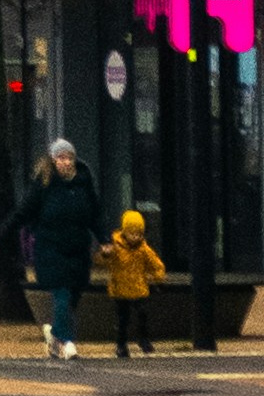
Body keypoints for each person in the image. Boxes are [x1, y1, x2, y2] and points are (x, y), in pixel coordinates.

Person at [22, 132, 101, 356]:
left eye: (69, 158)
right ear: (53, 160)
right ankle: (67, 342)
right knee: (62, 294)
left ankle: (55, 334)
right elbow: (24, 212)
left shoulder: (83, 185)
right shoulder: (43, 185)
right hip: (51, 250)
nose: (66, 162)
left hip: (77, 249)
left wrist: (104, 239)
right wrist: (1, 236)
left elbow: (95, 215)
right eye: (61, 158)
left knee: (73, 295)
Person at [100, 196, 165, 363]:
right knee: (123, 319)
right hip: (120, 290)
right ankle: (121, 345)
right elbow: (104, 260)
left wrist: (158, 275)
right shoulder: (116, 246)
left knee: (142, 314)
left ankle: (143, 339)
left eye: (139, 234)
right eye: (132, 233)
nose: (135, 237)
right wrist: (105, 254)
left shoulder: (143, 249)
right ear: (124, 232)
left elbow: (155, 263)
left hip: (138, 288)